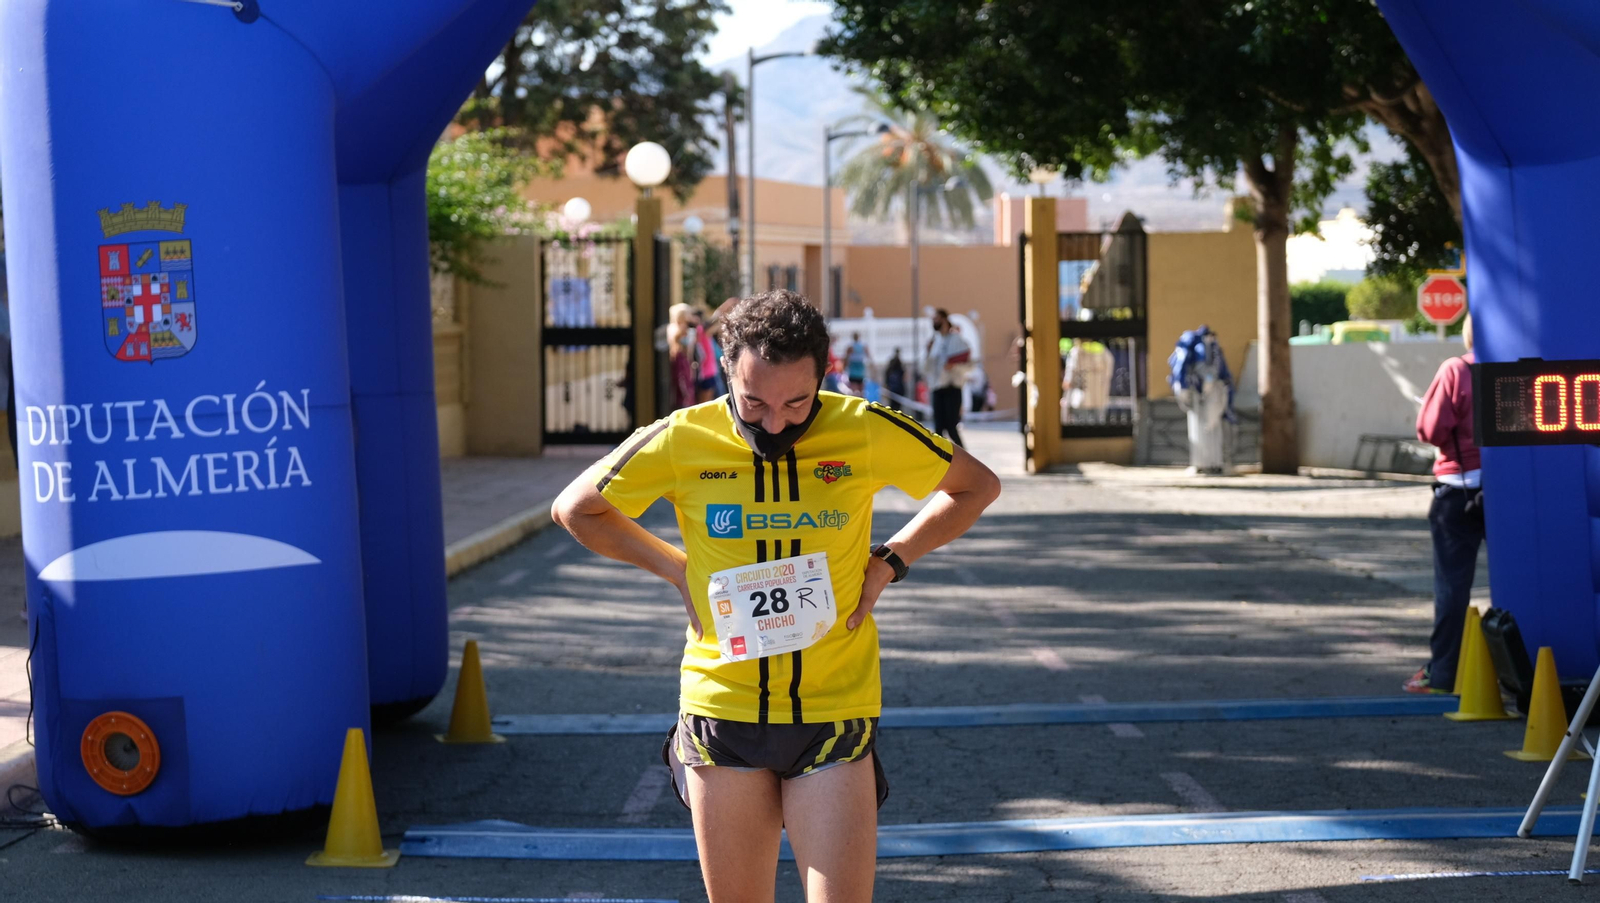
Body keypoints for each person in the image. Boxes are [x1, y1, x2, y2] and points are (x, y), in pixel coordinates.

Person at [552, 290, 1000, 903]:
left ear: (824, 375)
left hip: (833, 710)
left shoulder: (864, 428)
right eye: (753, 402)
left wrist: (891, 561)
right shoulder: (684, 436)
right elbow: (576, 508)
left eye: (797, 402)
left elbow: (975, 486)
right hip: (723, 709)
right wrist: (675, 568)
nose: (775, 424)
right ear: (727, 370)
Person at [1406, 313, 1483, 694]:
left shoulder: (1456, 370)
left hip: (1459, 491)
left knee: (1452, 586)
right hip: (1509, 492)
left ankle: (1445, 673)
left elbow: (1431, 430)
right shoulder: (1518, 374)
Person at [924, 308, 971, 447]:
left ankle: (964, 456)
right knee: (938, 429)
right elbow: (927, 368)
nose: (934, 322)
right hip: (937, 388)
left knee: (951, 427)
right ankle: (940, 458)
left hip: (952, 388)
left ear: (944, 320)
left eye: (937, 319)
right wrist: (927, 352)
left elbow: (969, 363)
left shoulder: (956, 339)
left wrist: (954, 366)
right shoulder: (935, 341)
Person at [667, 303, 699, 410]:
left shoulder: (686, 330)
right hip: (679, 362)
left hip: (685, 362)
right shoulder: (675, 330)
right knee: (683, 392)